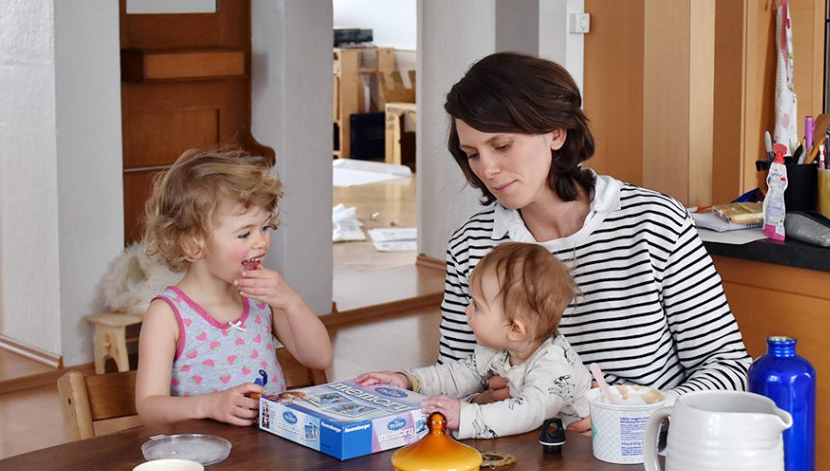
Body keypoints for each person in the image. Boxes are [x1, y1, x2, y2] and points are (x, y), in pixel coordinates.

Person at [440, 52, 751, 428]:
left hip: (643, 460)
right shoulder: (471, 246)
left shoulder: (654, 223)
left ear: (555, 133)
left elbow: (729, 367)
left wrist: (643, 411)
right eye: (472, 154)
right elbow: (457, 380)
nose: (486, 169)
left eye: (502, 146)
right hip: (522, 461)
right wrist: (490, 400)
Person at [135, 148, 333, 427]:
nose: (261, 242)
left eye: (265, 227)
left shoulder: (260, 297)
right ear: (193, 243)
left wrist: (291, 302)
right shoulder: (167, 314)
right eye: (245, 233)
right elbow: (149, 406)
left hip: (271, 446)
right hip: (208, 454)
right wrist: (211, 404)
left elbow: (319, 357)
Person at [356, 242, 591, 439]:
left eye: (477, 306)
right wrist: (407, 380)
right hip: (534, 443)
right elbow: (458, 374)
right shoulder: (500, 350)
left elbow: (528, 412)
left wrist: (465, 415)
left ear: (515, 328)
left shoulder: (554, 365)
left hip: (576, 453)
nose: (467, 310)